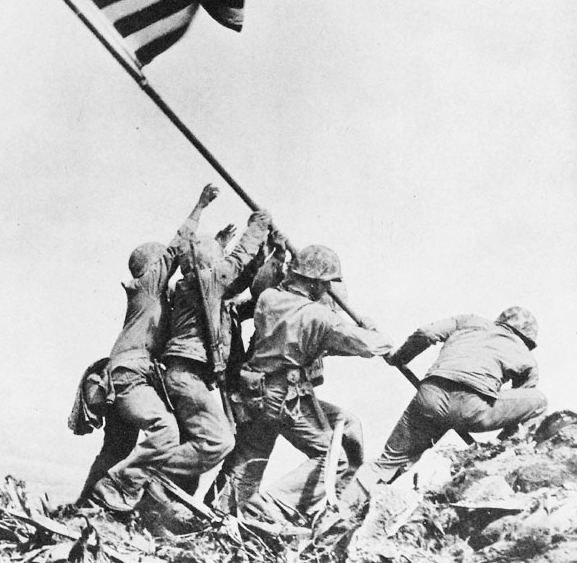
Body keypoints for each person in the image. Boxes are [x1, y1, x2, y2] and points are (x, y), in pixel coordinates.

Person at [221, 245, 393, 523]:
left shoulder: (269, 298)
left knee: (251, 455)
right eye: (325, 284)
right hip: (284, 396)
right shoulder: (320, 316)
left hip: (255, 391)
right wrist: (372, 331)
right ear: (314, 282)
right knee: (335, 458)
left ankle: (222, 510)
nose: (327, 289)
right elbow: (370, 345)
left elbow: (310, 337)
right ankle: (270, 508)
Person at [84, 184, 220, 512]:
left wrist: (219, 246)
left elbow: (198, 276)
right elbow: (176, 249)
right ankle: (115, 491)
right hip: (130, 374)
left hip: (128, 375)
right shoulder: (146, 287)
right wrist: (200, 206)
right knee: (165, 430)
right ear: (150, 266)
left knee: (116, 447)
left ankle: (86, 505)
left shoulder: (157, 298)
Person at [341, 306, 548, 509]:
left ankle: (340, 509)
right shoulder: (526, 357)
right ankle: (502, 452)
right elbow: (520, 401)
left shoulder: (469, 321)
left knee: (387, 462)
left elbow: (426, 333)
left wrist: (400, 358)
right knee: (539, 402)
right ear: (527, 339)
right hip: (472, 409)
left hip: (429, 398)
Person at [140, 208, 272, 511]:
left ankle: (159, 508)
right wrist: (256, 228)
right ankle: (142, 474)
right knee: (218, 441)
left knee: (196, 447)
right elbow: (236, 264)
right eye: (216, 257)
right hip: (185, 376)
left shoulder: (208, 293)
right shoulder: (200, 282)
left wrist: (267, 249)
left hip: (190, 377)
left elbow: (244, 278)